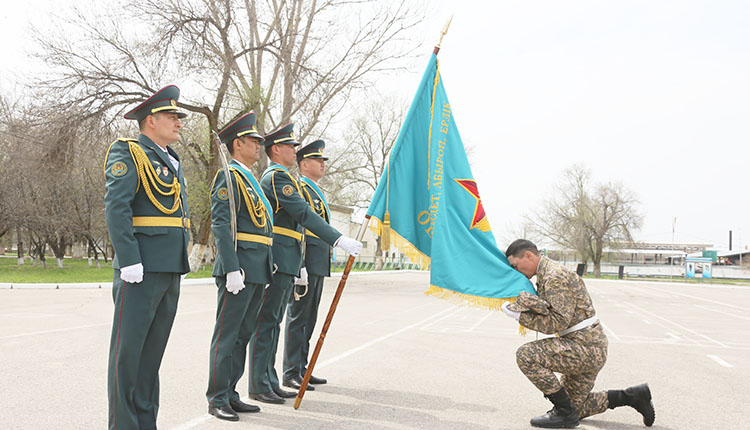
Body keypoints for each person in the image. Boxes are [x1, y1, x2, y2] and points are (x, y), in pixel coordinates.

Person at [248, 123, 362, 404]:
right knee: (267, 323)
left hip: (289, 256)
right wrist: (339, 240)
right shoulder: (277, 178)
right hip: (277, 257)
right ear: (276, 150)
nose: (295, 150)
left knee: (273, 323)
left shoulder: (283, 177)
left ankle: (269, 381)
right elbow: (304, 215)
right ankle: (260, 382)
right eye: (291, 146)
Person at [104, 85, 191, 430]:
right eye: (172, 117)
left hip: (168, 266)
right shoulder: (128, 152)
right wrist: (128, 259)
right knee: (128, 357)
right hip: (139, 268)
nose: (179, 123)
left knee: (151, 357)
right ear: (151, 120)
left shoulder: (170, 158)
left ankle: (145, 422)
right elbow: (117, 208)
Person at [501, 239, 655, 428]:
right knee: (577, 408)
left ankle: (564, 413)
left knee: (526, 355)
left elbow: (557, 322)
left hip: (584, 348)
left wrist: (519, 317)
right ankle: (633, 396)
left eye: (516, 266)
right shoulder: (546, 273)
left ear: (528, 255)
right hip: (585, 345)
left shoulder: (554, 276)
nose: (516, 271)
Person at [206, 112, 272, 421]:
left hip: (256, 268)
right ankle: (217, 397)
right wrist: (231, 267)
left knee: (243, 334)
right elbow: (221, 224)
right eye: (254, 141)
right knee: (227, 335)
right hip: (239, 269)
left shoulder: (250, 180)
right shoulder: (228, 176)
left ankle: (231, 392)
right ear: (238, 143)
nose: (259, 146)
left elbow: (263, 228)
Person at [282, 139, 332, 388]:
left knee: (309, 317)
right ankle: (291, 371)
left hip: (318, 259)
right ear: (304, 164)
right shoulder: (300, 189)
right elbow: (300, 225)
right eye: (318, 160)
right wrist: (300, 262)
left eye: (324, 161)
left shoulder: (316, 191)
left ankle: (302, 367)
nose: (323, 165)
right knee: (298, 316)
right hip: (306, 258)